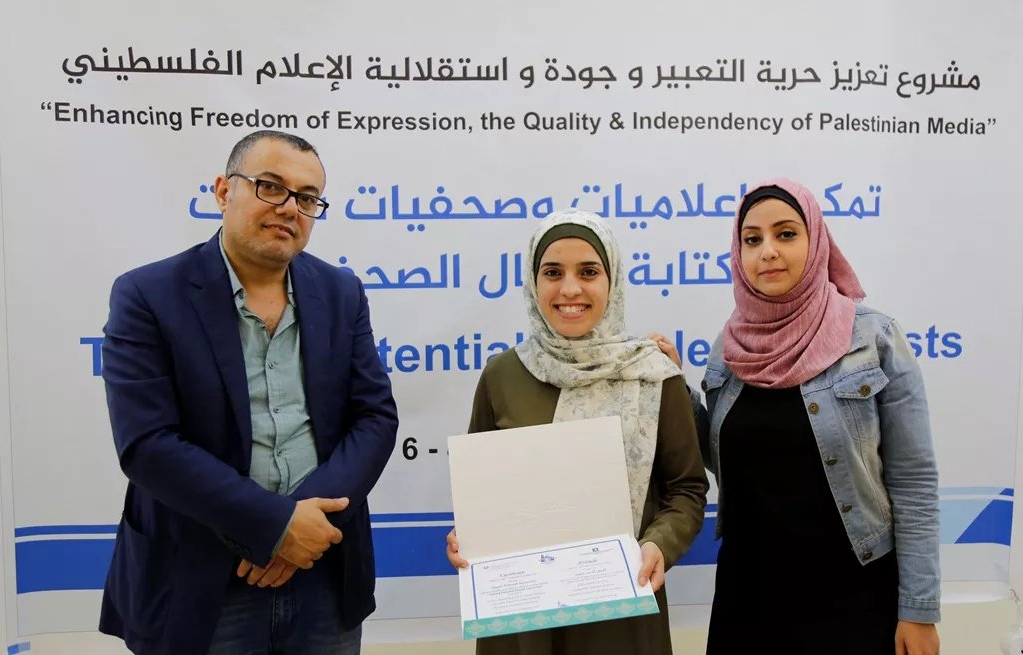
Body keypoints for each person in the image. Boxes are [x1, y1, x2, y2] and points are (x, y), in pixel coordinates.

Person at [98, 129, 399, 655]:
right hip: (200, 578)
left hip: (322, 571)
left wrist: (307, 527)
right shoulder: (147, 294)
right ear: (223, 191)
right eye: (271, 186)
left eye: (307, 198)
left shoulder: (341, 291)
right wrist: (276, 526)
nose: (289, 208)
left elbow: (374, 417)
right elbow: (146, 444)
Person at [652, 178, 941, 654]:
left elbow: (914, 481)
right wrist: (675, 385)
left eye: (786, 234)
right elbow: (721, 458)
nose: (767, 251)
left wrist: (919, 609)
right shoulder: (729, 348)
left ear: (816, 240)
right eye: (752, 239)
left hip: (852, 595)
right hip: (749, 596)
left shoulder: (874, 338)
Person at [445, 209, 709, 655]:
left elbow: (686, 489)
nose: (569, 289)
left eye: (588, 272)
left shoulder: (651, 375)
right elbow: (481, 492)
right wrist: (469, 536)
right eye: (552, 272)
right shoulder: (502, 375)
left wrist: (658, 545)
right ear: (533, 283)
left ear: (612, 280)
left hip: (620, 611)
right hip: (521, 619)